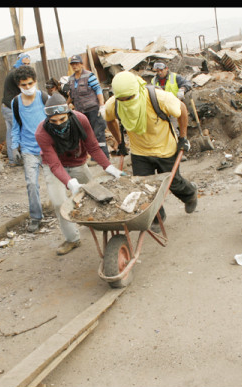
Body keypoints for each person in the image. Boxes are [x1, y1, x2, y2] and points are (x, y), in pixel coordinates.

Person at [105, 71, 198, 233]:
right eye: (122, 99)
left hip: (165, 149)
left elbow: (182, 109)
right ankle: (157, 216)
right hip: (140, 152)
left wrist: (183, 137)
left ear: (137, 90)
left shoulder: (159, 98)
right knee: (145, 188)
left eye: (130, 98)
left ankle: (190, 194)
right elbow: (109, 118)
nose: (125, 102)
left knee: (173, 183)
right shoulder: (114, 104)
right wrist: (119, 141)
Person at [35, 94, 125, 255]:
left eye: (62, 119)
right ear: (47, 119)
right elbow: (55, 164)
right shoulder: (42, 133)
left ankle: (99, 222)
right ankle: (72, 239)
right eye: (53, 121)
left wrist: (109, 168)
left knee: (96, 193)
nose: (59, 124)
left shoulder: (81, 120)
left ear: (69, 113)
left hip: (77, 161)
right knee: (59, 202)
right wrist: (70, 183)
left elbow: (93, 147)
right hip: (54, 166)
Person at [10, 65, 48, 233]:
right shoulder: (16, 102)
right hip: (28, 149)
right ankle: (36, 216)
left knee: (58, 182)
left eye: (30, 83)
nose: (27, 87)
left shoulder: (45, 98)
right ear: (19, 85)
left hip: (47, 149)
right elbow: (16, 126)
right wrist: (14, 146)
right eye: (23, 85)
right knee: (31, 184)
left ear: (35, 81)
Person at [66, 54, 110, 160]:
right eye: (72, 64)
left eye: (76, 63)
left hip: (93, 109)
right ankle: (91, 156)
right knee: (85, 134)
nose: (74, 66)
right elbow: (71, 95)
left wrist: (102, 105)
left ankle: (103, 157)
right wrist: (65, 105)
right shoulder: (71, 79)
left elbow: (98, 90)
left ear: (81, 64)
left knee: (98, 133)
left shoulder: (89, 76)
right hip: (80, 111)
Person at [1, 53, 31, 166]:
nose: (26, 66)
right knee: (22, 132)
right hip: (10, 108)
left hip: (7, 107)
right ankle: (25, 158)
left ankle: (13, 160)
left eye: (28, 64)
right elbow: (25, 90)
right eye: (24, 64)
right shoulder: (15, 74)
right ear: (19, 62)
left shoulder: (15, 72)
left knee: (11, 134)